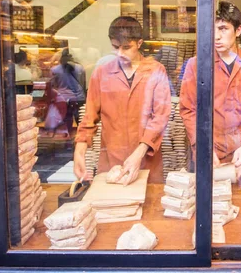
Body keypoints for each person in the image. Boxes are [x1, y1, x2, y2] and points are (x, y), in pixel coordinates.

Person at [179, 2, 241, 183]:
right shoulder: (196, 65)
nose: (216, 36)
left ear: (238, 31)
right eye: (212, 29)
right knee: (208, 209)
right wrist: (203, 147)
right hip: (209, 158)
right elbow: (188, 110)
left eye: (223, 28)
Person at [73, 16, 171, 184]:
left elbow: (160, 117)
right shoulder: (102, 73)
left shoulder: (156, 71)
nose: (120, 53)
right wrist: (79, 151)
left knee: (150, 206)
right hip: (112, 159)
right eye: (116, 47)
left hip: (147, 158)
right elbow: (89, 118)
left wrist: (139, 153)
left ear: (139, 43)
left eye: (126, 47)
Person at [45, 48, 86, 138]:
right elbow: (83, 84)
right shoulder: (80, 68)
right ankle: (81, 139)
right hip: (79, 97)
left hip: (63, 98)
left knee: (68, 119)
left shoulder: (55, 70)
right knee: (81, 120)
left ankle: (69, 137)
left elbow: (53, 86)